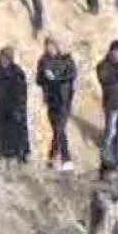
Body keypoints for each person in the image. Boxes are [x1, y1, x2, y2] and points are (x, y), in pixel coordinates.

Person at [35, 37, 77, 171]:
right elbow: (38, 80)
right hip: (51, 99)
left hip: (64, 99)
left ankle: (66, 158)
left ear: (57, 46)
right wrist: (44, 76)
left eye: (51, 46)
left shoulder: (66, 59)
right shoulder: (43, 61)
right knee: (57, 130)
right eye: (47, 46)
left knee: (59, 128)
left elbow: (72, 75)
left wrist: (55, 78)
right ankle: (52, 158)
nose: (49, 49)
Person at [0, 46, 30, 164]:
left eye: (4, 58)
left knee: (14, 134)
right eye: (0, 57)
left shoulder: (17, 72)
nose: (2, 60)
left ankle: (17, 156)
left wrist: (19, 108)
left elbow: (21, 92)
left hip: (12, 108)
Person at [96, 40, 118, 175]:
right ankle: (106, 156)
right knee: (111, 131)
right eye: (115, 52)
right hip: (111, 102)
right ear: (110, 52)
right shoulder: (103, 65)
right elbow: (104, 79)